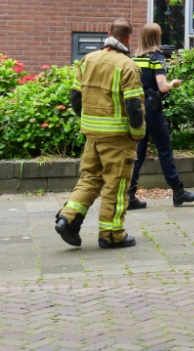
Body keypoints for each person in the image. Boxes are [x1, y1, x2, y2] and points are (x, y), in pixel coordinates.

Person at [55, 18, 146, 249]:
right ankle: (111, 235)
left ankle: (68, 218)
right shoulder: (128, 66)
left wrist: (88, 121)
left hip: (92, 135)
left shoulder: (87, 60)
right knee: (115, 186)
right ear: (127, 39)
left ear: (108, 34)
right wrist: (137, 133)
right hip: (117, 138)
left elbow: (76, 98)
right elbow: (134, 105)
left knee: (90, 178)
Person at [126, 23, 194, 211]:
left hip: (137, 109)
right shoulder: (156, 58)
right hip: (152, 108)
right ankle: (178, 191)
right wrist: (173, 83)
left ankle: (130, 193)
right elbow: (162, 87)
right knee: (164, 149)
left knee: (139, 152)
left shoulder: (134, 58)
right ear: (155, 37)